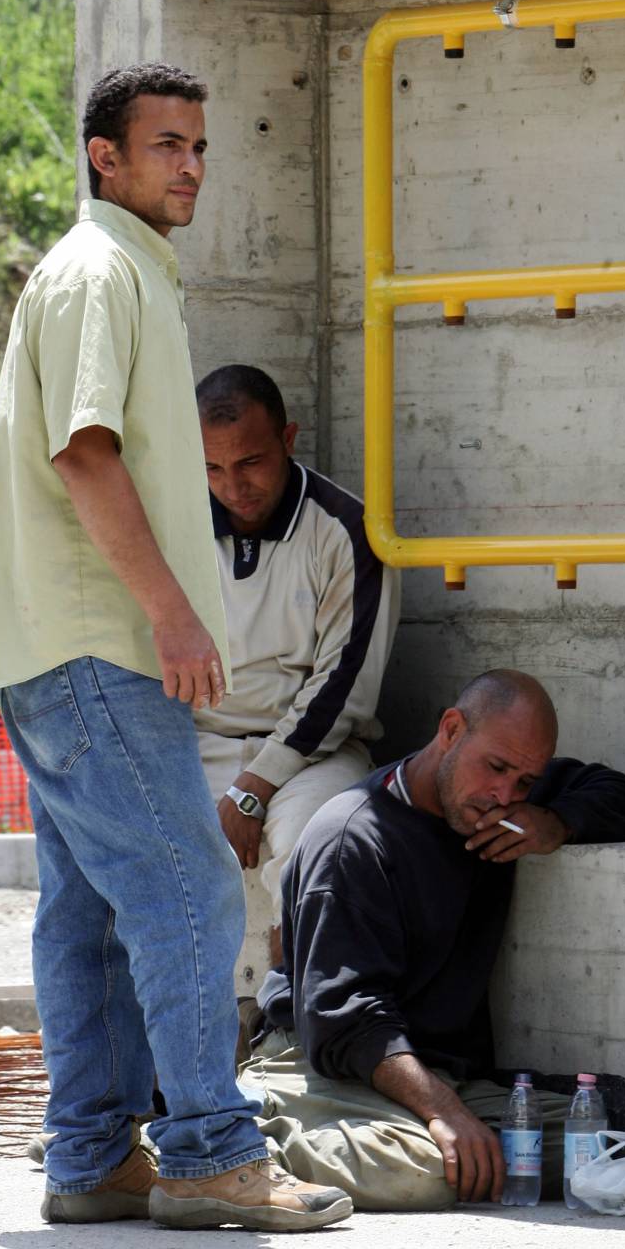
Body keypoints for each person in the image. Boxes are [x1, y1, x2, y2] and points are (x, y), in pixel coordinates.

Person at [0, 63, 351, 1233]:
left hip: (66, 643)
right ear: (104, 157)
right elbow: (86, 454)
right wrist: (176, 612)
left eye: (198, 145)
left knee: (86, 910)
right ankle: (210, 1152)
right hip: (96, 644)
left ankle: (90, 1155)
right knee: (189, 883)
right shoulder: (100, 272)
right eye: (164, 145)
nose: (188, 164)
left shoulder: (123, 270)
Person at [237, 669, 625, 1210]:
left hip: (429, 1075)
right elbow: (345, 1022)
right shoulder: (354, 837)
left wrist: (555, 820)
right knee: (425, 1172)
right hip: (325, 1065)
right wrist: (447, 1114)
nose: (504, 794)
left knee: (599, 1151)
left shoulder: (502, 803)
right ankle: (242, 1136)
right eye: (497, 768)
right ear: (452, 730)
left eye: (526, 783)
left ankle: (416, 1133)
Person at [193, 364, 399, 992]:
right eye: (212, 468)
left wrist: (254, 788)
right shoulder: (171, 528)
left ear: (289, 438)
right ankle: (169, 1066)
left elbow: (345, 685)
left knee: (313, 843)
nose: (234, 487)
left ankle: (293, 1022)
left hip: (315, 753)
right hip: (196, 745)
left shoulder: (348, 530)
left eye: (251, 461)